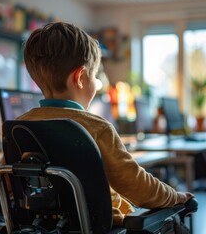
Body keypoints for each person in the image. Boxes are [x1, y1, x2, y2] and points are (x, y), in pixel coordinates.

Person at [18, 22, 194, 225]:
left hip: (42, 226)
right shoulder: (97, 128)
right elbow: (138, 186)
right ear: (81, 77)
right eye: (94, 76)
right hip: (101, 226)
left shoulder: (18, 127)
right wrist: (175, 196)